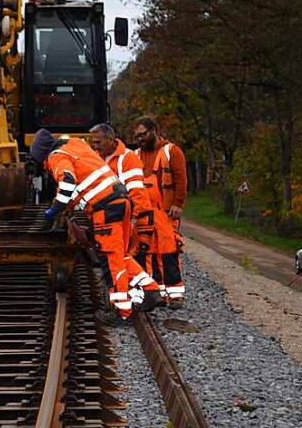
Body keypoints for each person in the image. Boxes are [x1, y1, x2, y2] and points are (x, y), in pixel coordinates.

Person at [30, 128, 144, 326]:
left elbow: (68, 182)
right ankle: (149, 290)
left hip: (105, 209)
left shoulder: (56, 157)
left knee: (110, 260)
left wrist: (52, 211)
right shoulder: (77, 145)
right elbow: (81, 185)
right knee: (122, 254)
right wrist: (66, 208)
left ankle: (120, 312)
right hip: (121, 202)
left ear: (42, 154)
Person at [88, 123, 161, 312]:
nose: (95, 146)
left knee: (120, 258)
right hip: (113, 217)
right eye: (92, 142)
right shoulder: (97, 157)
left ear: (111, 140)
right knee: (118, 258)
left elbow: (137, 193)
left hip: (129, 218)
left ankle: (133, 299)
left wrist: (133, 221)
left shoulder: (127, 159)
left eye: (98, 142)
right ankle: (141, 293)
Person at [132, 116, 186, 307]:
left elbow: (181, 179)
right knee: (148, 252)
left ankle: (175, 293)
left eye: (143, 134)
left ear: (154, 130)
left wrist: (178, 204)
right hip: (144, 213)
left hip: (165, 212)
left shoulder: (171, 151)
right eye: (137, 137)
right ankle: (158, 292)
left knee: (169, 251)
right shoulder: (135, 155)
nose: (140, 139)